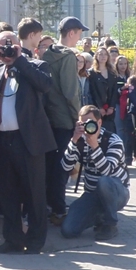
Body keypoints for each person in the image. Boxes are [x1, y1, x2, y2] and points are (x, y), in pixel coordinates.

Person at [0, 28, 55, 255]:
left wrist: (20, 60)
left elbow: (45, 85)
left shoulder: (35, 65)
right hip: (2, 140)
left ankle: (36, 241)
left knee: (34, 192)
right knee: (7, 194)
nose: (7, 49)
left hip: (28, 140)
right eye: (2, 45)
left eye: (10, 44)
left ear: (19, 45)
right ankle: (13, 240)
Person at [58, 106, 130, 241]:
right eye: (82, 123)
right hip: (92, 195)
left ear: (99, 122)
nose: (87, 127)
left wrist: (94, 146)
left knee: (103, 181)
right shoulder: (80, 141)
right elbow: (65, 167)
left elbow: (107, 171)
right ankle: (98, 217)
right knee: (68, 230)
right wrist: (74, 140)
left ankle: (110, 224)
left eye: (90, 122)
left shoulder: (113, 140)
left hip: (117, 192)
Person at [38, 17, 84, 221]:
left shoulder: (47, 54)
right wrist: (78, 118)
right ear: (72, 32)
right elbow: (70, 92)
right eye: (79, 33)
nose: (80, 37)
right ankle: (58, 208)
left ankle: (50, 204)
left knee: (50, 165)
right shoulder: (68, 56)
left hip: (48, 117)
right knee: (63, 165)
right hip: (65, 119)